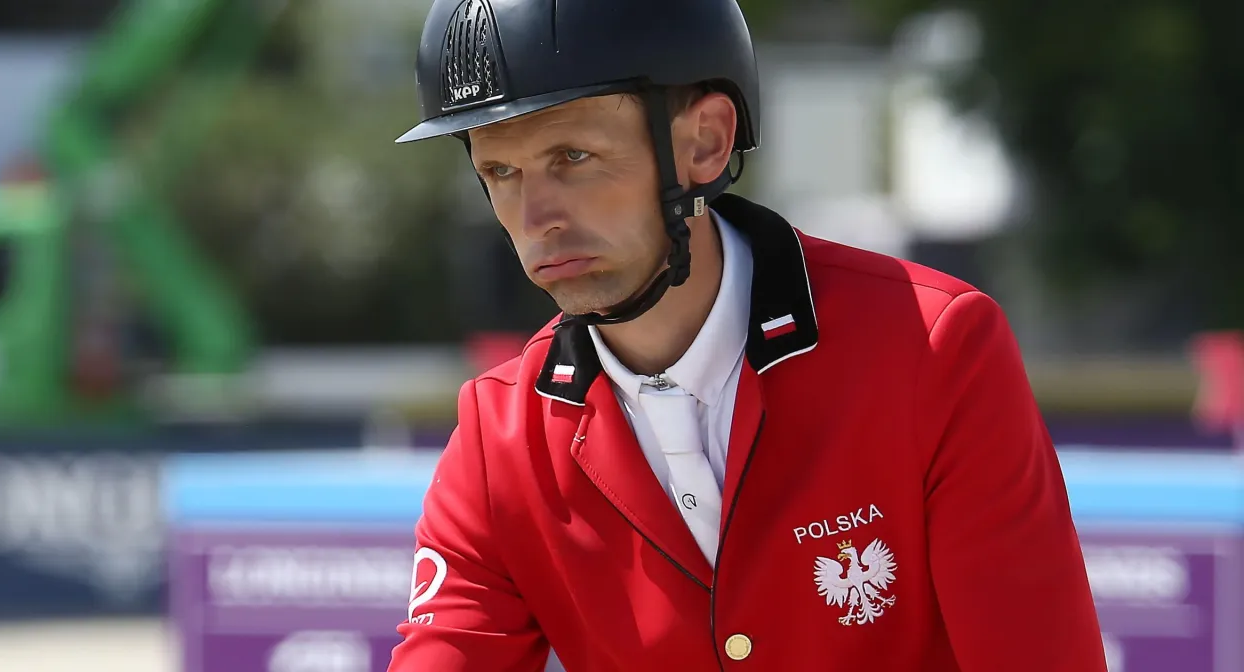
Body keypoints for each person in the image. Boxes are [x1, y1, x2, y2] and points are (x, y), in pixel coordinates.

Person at [388, 0, 1107, 670]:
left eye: (571, 158)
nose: (534, 214)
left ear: (705, 143)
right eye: (500, 172)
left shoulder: (933, 348)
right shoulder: (497, 436)